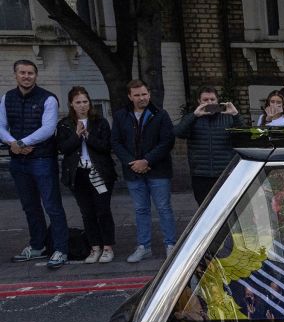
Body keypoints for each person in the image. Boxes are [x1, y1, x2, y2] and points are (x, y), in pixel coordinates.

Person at [2, 59, 70, 267]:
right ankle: (37, 246)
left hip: (42, 160)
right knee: (30, 206)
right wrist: (13, 144)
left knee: (52, 206)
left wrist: (21, 142)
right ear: (15, 75)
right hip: (18, 161)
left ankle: (60, 249)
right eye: (22, 72)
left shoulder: (48, 99)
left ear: (36, 75)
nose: (26, 76)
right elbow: (1, 126)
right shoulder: (7, 98)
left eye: (30, 73)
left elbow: (48, 129)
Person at [111, 79, 177, 262]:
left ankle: (171, 244)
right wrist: (132, 162)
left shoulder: (161, 115)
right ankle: (143, 246)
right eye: (137, 95)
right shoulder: (120, 116)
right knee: (141, 209)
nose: (142, 98)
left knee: (164, 208)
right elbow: (115, 142)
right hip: (134, 171)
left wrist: (147, 160)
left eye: (144, 94)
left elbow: (167, 142)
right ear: (130, 97)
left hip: (158, 171)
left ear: (149, 94)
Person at [57, 86, 117, 264]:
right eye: (78, 102)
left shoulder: (100, 122)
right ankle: (94, 247)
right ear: (71, 104)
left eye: (85, 101)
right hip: (78, 174)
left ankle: (107, 247)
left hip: (99, 172)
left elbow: (106, 147)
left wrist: (88, 136)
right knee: (87, 212)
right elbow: (63, 148)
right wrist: (76, 135)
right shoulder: (64, 124)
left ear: (89, 103)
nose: (82, 105)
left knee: (103, 211)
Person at [175, 86, 242, 204]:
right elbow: (179, 133)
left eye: (212, 99)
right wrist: (194, 116)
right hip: (201, 174)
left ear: (218, 101)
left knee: (226, 207)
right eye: (205, 100)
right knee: (204, 207)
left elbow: (243, 137)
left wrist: (235, 115)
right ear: (199, 102)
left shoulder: (228, 117)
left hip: (224, 173)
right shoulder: (192, 118)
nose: (209, 102)